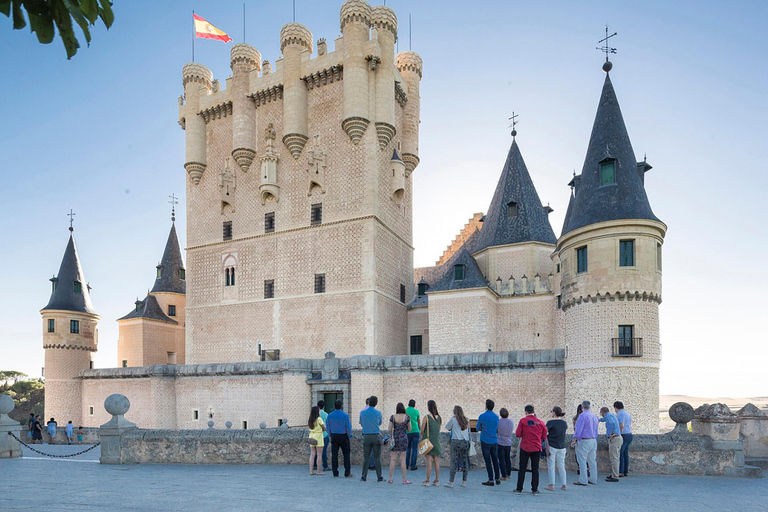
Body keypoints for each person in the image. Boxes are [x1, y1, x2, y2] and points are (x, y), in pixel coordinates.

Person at [513, 405, 547, 496]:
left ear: (526, 412)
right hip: (536, 448)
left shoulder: (523, 421)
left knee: (522, 468)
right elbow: (544, 436)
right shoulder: (540, 423)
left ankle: (519, 488)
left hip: (525, 447)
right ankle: (534, 489)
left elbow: (518, 434)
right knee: (535, 469)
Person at [571, 401, 599, 486]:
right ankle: (593, 479)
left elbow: (578, 429)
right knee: (592, 461)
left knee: (582, 460)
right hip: (593, 440)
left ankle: (583, 479)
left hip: (584, 440)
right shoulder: (594, 416)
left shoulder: (582, 416)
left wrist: (574, 440)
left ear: (582, 407)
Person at [444, 405, 470, 488]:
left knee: (453, 462)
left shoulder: (453, 420)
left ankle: (451, 482)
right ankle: (464, 482)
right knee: (465, 461)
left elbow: (447, 428)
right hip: (465, 442)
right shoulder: (466, 420)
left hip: (455, 441)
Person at [476, 399, 501, 486]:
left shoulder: (482, 416)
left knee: (488, 461)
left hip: (485, 440)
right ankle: (497, 478)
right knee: (495, 460)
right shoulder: (496, 417)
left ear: (486, 406)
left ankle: (491, 479)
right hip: (494, 440)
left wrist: (482, 428)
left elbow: (477, 428)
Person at [326, 399, 353, 478]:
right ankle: (347, 472)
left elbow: (328, 427)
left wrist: (330, 434)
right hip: (343, 436)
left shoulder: (330, 415)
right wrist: (349, 435)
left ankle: (335, 472)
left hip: (334, 435)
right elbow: (348, 427)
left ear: (334, 406)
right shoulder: (345, 415)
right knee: (346, 454)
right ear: (341, 406)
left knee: (334, 455)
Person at [359, 395, 383, 482]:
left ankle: (363, 476)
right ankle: (379, 476)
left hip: (366, 436)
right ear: (376, 403)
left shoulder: (362, 412)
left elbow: (361, 423)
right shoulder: (378, 413)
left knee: (366, 457)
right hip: (376, 435)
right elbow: (380, 423)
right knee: (377, 457)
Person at [388, 403, 412, 484]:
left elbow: (389, 429)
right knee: (403, 460)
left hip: (395, 439)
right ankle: (404, 479)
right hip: (403, 439)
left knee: (393, 459)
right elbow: (410, 429)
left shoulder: (393, 417)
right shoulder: (407, 417)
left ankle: (390, 478)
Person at [545, 406, 568, 491]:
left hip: (552, 445)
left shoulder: (550, 422)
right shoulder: (564, 423)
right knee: (561, 465)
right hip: (562, 446)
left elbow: (544, 431)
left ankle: (551, 484)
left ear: (554, 413)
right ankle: (564, 484)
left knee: (551, 465)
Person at [420, 400, 442, 486]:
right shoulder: (439, 418)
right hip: (436, 440)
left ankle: (427, 480)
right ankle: (437, 480)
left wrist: (423, 437)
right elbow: (438, 430)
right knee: (436, 460)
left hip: (428, 441)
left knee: (428, 461)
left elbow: (422, 430)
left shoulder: (426, 417)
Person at [599, 406, 623, 482]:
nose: (601, 414)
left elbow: (611, 424)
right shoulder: (610, 415)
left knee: (614, 458)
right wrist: (598, 419)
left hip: (614, 438)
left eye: (601, 413)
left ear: (603, 412)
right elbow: (603, 419)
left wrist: (610, 433)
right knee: (615, 457)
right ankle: (614, 474)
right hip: (618, 438)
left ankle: (615, 476)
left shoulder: (609, 416)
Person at [614, 401, 633, 477]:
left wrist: (618, 433)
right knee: (625, 453)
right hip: (629, 434)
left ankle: (621, 471)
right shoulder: (627, 413)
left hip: (624, 435)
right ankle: (625, 471)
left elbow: (621, 425)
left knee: (620, 453)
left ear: (616, 407)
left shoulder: (620, 414)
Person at [307, 406, 326, 476]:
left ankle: (311, 471)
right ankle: (318, 471)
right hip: (318, 437)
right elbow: (324, 427)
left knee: (312, 454)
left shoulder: (310, 419)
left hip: (311, 436)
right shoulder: (319, 419)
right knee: (319, 455)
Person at [497, 408, 514, 481]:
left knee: (501, 459)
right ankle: (508, 473)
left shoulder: (499, 422)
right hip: (508, 442)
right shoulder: (511, 422)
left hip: (500, 441)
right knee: (507, 458)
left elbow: (496, 431)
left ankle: (503, 475)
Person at [405, 399, 421, 471]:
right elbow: (418, 421)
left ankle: (406, 464)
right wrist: (420, 429)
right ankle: (413, 465)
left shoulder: (405, 411)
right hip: (415, 431)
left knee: (408, 448)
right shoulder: (416, 411)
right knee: (415, 449)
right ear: (414, 405)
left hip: (408, 431)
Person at [316, 400, 329, 472]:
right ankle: (325, 466)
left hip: (315, 435)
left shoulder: (314, 414)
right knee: (324, 451)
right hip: (324, 435)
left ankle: (314, 465)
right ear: (324, 406)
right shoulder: (325, 414)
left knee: (315, 451)